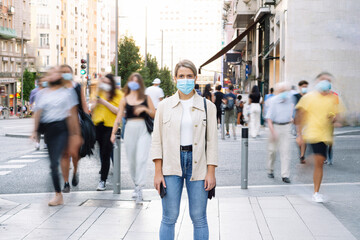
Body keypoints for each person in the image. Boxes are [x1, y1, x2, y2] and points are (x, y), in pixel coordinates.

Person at [152, 59, 218, 240]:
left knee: (199, 217)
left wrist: (210, 172)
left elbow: (212, 141)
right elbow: (157, 140)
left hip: (199, 164)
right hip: (171, 165)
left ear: (195, 78)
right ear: (175, 78)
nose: (185, 80)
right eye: (181, 76)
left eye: (189, 76)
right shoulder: (164, 106)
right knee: (169, 217)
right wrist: (158, 172)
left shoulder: (208, 107)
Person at [31, 67, 82, 206]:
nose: (54, 74)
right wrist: (34, 131)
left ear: (59, 77)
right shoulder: (42, 94)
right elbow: (38, 112)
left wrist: (76, 134)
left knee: (60, 158)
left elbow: (72, 114)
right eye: (51, 72)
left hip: (62, 128)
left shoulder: (67, 93)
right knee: (53, 164)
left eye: (56, 72)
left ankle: (60, 192)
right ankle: (58, 194)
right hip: (49, 129)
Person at [295, 72, 344, 203]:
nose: (326, 82)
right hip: (311, 133)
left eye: (328, 80)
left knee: (319, 162)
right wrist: (299, 135)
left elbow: (336, 115)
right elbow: (300, 116)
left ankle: (315, 188)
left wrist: (335, 119)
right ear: (317, 82)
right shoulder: (309, 97)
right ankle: (316, 192)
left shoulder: (333, 98)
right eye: (323, 80)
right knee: (319, 160)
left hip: (325, 135)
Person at [111, 73, 155, 203]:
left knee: (141, 159)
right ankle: (136, 185)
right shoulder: (124, 99)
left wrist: (144, 109)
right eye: (132, 81)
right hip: (129, 129)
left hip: (143, 129)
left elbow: (154, 113)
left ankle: (140, 187)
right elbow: (118, 117)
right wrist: (113, 133)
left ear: (140, 84)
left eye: (137, 81)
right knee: (132, 160)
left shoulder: (146, 98)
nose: (134, 83)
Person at [59, 65, 89, 193]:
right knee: (64, 154)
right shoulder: (57, 87)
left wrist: (89, 120)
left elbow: (84, 105)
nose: (65, 74)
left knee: (75, 154)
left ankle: (75, 171)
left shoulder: (77, 87)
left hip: (75, 124)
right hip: (60, 123)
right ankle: (66, 183)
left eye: (67, 72)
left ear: (71, 74)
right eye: (63, 72)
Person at [91, 74, 123, 191]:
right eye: (103, 82)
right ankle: (105, 172)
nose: (105, 84)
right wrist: (95, 103)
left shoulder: (119, 94)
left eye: (107, 82)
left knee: (105, 153)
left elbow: (118, 111)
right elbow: (93, 109)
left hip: (111, 127)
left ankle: (102, 180)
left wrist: (103, 102)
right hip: (98, 126)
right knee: (100, 152)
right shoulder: (99, 93)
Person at [265, 83, 294, 184]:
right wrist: (273, 132)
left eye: (285, 90)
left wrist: (291, 118)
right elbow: (269, 118)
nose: (284, 93)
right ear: (278, 92)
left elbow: (291, 110)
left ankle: (285, 175)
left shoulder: (290, 99)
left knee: (285, 151)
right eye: (282, 91)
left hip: (286, 127)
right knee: (272, 151)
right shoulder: (273, 101)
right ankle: (270, 169)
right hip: (275, 126)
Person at [293, 80, 309, 164]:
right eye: (303, 86)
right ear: (299, 87)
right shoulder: (295, 96)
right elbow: (293, 108)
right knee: (299, 140)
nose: (304, 88)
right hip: (298, 120)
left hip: (306, 120)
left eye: (306, 87)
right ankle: (301, 152)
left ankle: (302, 155)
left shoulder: (308, 96)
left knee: (304, 138)